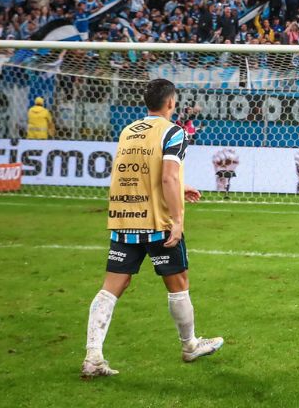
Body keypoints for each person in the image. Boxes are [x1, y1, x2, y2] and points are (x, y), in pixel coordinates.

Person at [81, 78, 223, 379]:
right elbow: (168, 176)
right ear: (171, 103)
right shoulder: (173, 132)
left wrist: (180, 187)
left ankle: (92, 356)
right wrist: (178, 220)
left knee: (112, 286)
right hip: (157, 223)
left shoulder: (128, 131)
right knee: (178, 282)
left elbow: (142, 170)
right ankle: (190, 346)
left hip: (124, 217)